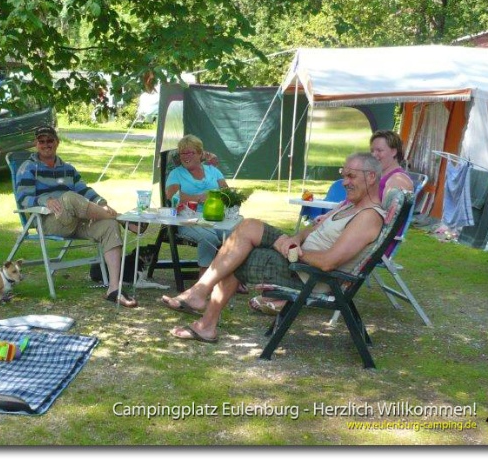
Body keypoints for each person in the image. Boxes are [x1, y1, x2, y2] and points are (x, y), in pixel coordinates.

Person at [160, 152, 385, 343]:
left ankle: (204, 313)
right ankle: (202, 303)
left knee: (240, 253)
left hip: (308, 276)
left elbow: (329, 262)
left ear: (372, 177)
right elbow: (313, 229)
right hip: (298, 258)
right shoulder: (349, 207)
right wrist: (295, 238)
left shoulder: (368, 217)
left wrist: (295, 250)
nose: (345, 182)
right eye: (343, 175)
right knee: (246, 229)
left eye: (351, 176)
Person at [15, 125, 139, 308]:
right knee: (71, 198)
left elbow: (84, 190)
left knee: (108, 227)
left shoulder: (68, 169)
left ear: (57, 142)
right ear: (36, 144)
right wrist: (45, 200)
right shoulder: (28, 167)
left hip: (75, 221)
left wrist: (102, 202)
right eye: (41, 141)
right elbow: (23, 198)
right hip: (49, 221)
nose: (46, 144)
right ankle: (119, 218)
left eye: (50, 140)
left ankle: (114, 289)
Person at [165, 135, 229, 276]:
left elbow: (227, 193)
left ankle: (231, 274)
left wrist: (215, 197)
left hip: (215, 217)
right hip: (188, 219)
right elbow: (172, 197)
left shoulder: (213, 171)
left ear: (200, 154)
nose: (185, 156)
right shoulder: (176, 174)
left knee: (235, 235)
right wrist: (199, 198)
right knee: (209, 237)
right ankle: (204, 274)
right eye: (183, 153)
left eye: (190, 152)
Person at [370, 129, 414, 195]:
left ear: (393, 152)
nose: (373, 155)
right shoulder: (377, 175)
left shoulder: (398, 180)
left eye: (379, 150)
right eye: (372, 151)